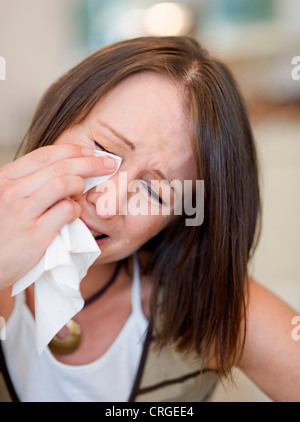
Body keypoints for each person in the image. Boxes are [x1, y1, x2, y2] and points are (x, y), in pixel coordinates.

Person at [0, 36, 299, 402]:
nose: (108, 204)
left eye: (155, 193)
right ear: (51, 107)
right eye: (104, 151)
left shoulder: (206, 302)